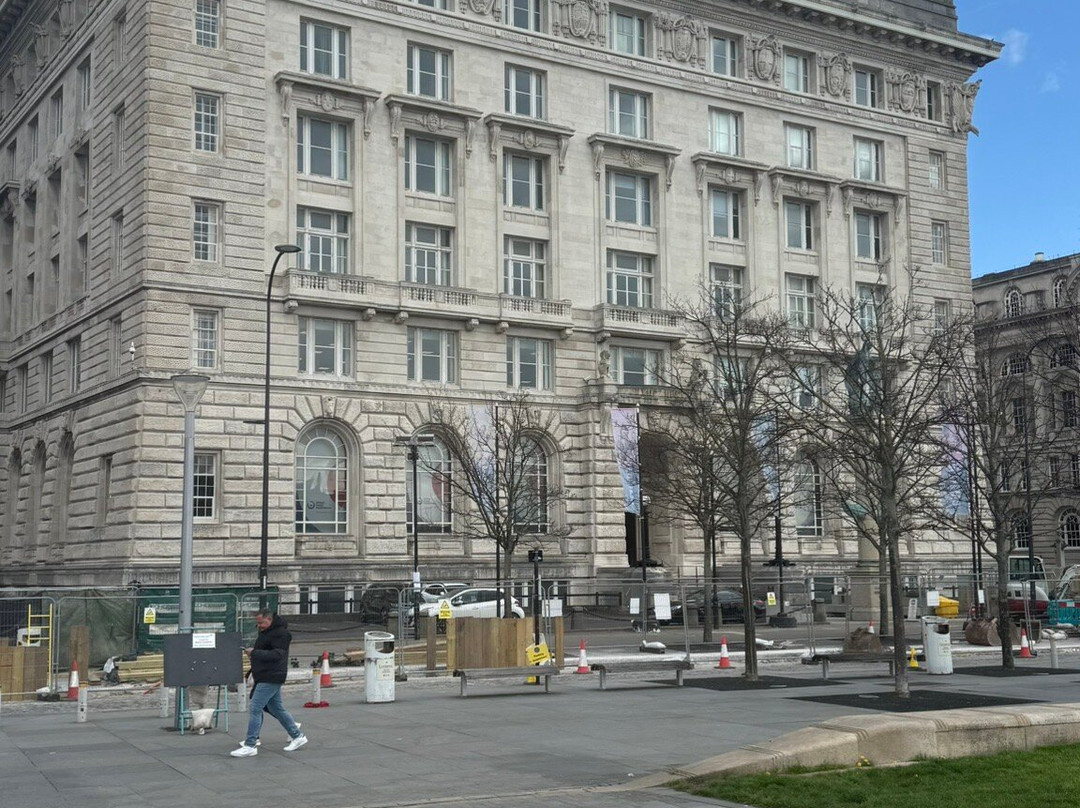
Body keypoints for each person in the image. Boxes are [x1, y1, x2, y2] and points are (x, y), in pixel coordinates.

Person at [230, 608, 308, 757]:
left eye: (261, 622)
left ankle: (251, 744)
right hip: (268, 674)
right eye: (258, 623)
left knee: (255, 707)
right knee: (276, 708)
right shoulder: (269, 632)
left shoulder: (281, 634)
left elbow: (278, 654)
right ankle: (297, 736)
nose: (259, 625)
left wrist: (254, 652)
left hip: (271, 675)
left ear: (269, 620)